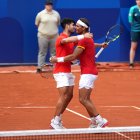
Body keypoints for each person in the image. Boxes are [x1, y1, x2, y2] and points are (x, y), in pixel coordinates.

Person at [50, 18, 109, 128]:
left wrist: (100, 45)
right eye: (74, 25)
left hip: (80, 72)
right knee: (68, 96)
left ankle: (97, 120)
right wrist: (97, 43)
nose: (75, 27)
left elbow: (79, 51)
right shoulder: (62, 38)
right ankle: (56, 120)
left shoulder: (80, 39)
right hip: (65, 72)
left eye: (77, 25)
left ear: (83, 28)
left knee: (76, 97)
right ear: (67, 26)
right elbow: (72, 44)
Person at [35, 0, 61, 73]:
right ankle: (40, 67)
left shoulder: (56, 14)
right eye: (47, 5)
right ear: (45, 5)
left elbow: (57, 24)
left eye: (50, 5)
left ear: (52, 6)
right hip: (43, 36)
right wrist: (44, 31)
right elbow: (37, 24)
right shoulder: (40, 14)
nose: (49, 6)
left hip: (54, 36)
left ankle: (56, 67)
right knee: (42, 52)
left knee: (54, 52)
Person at [128, 0, 140, 68]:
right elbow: (130, 21)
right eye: (138, 0)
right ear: (136, 1)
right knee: (133, 47)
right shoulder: (133, 8)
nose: (139, 1)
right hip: (135, 30)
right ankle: (131, 63)